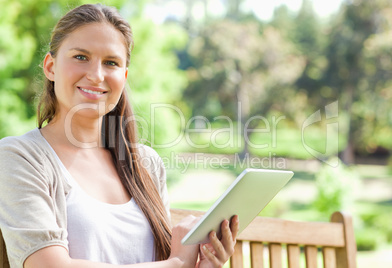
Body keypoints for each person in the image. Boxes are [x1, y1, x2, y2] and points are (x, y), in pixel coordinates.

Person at [0, 4, 238, 268]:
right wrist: (179, 263)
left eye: (111, 63)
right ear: (50, 66)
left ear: (123, 77)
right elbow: (47, 265)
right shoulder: (19, 157)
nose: (96, 75)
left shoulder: (145, 162)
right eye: (81, 57)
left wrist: (204, 264)